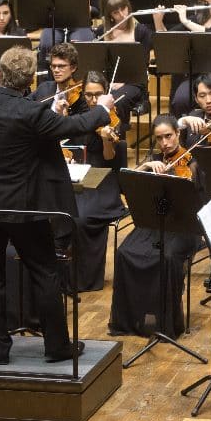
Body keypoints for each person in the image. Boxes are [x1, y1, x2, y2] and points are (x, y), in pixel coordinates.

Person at [0, 46, 114, 364]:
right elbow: (74, 126)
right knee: (44, 272)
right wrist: (103, 109)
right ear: (28, 82)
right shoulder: (31, 111)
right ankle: (56, 346)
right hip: (24, 207)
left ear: (1, 74)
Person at [109, 114, 201, 338]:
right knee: (124, 252)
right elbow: (127, 182)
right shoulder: (155, 158)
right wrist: (147, 165)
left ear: (178, 133)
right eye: (159, 138)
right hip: (152, 223)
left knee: (168, 257)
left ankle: (165, 322)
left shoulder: (193, 160)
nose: (165, 143)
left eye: (169, 136)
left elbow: (195, 198)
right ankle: (132, 319)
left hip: (183, 226)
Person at [71, 71, 127, 291]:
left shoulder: (113, 117)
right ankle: (63, 274)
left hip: (103, 177)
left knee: (82, 217)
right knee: (60, 210)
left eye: (98, 95)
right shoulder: (79, 115)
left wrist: (106, 140)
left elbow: (110, 158)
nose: (94, 100)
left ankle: (85, 279)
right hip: (78, 173)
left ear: (107, 93)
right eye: (88, 95)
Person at [93, 0, 152, 129]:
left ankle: (120, 136)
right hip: (107, 82)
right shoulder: (102, 32)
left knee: (116, 101)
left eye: (123, 9)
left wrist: (123, 81)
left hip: (134, 83)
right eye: (115, 12)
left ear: (128, 6)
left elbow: (142, 65)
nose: (122, 15)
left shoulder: (141, 32)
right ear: (110, 16)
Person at [31, 42, 88, 116]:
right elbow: (24, 106)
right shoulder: (44, 88)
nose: (56, 70)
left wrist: (64, 117)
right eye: (53, 66)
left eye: (61, 66)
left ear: (73, 68)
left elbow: (82, 125)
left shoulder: (82, 97)